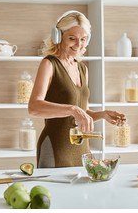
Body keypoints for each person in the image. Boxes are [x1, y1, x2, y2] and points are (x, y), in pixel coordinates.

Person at [28, 10, 126, 168]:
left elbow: (83, 112)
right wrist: (73, 109)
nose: (78, 44)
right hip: (56, 147)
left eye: (83, 39)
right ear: (58, 37)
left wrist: (102, 114)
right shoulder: (49, 64)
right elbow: (34, 107)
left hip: (81, 148)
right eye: (72, 38)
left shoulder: (82, 69)